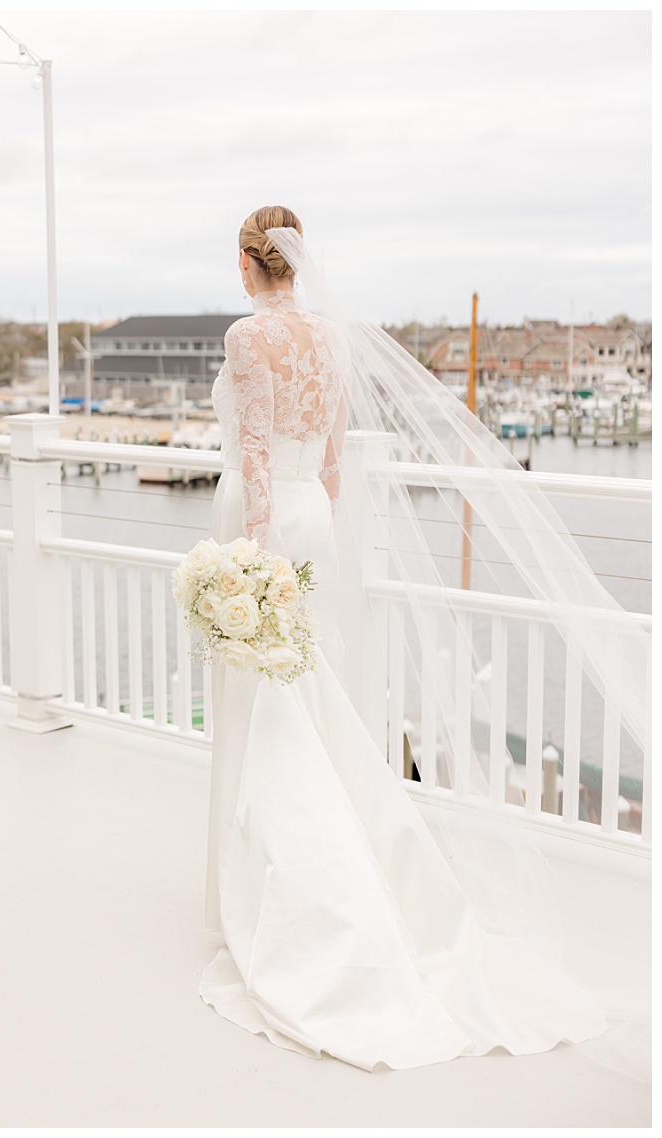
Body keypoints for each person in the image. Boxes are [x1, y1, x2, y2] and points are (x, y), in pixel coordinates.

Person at [199, 206, 641, 1071]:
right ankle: (331, 868)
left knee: (265, 707)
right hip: (315, 517)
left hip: (263, 529)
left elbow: (254, 457)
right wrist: (301, 526)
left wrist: (252, 563)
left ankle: (294, 893)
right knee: (309, 698)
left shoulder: (250, 338)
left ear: (252, 266)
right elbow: (325, 463)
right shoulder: (334, 341)